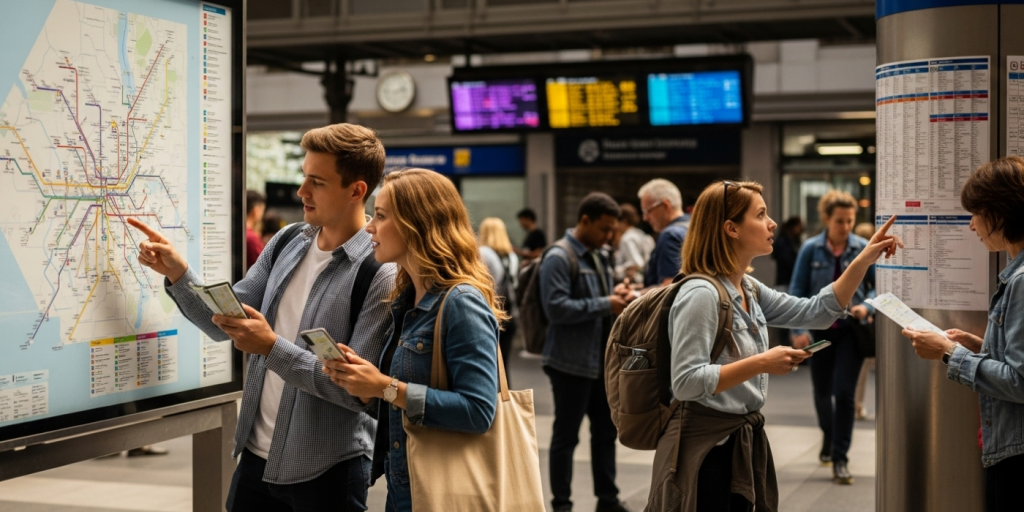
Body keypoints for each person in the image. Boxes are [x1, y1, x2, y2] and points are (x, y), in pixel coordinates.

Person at [129, 123, 396, 512]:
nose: (301, 191)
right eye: (304, 177)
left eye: (317, 182)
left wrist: (270, 347)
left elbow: (356, 391)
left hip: (328, 472)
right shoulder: (289, 241)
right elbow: (223, 322)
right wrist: (179, 273)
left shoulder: (379, 273)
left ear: (357, 190)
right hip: (256, 459)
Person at [652, 180, 900, 511]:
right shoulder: (701, 294)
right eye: (761, 214)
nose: (772, 223)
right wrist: (762, 362)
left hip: (737, 442)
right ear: (731, 229)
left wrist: (864, 259)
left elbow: (815, 311)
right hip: (704, 452)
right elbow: (686, 382)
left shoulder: (748, 287)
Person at [321, 168, 504, 512]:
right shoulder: (407, 299)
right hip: (406, 486)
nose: (369, 226)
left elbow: (479, 411)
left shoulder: (461, 302)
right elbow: (402, 398)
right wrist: (365, 386)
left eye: (381, 215)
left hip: (446, 492)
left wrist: (386, 387)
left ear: (417, 224)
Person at [900, 156, 1024, 512]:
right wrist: (982, 347)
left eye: (976, 213)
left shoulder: (1020, 280)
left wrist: (949, 353)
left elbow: (1019, 381)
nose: (972, 226)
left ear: (1001, 213)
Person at [540, 192, 634, 512]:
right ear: (584, 221)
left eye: (613, 230)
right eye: (604, 229)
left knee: (605, 432)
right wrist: (606, 303)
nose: (609, 237)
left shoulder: (599, 254)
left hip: (600, 362)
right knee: (566, 437)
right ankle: (561, 505)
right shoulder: (558, 256)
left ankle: (608, 500)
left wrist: (616, 294)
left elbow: (599, 297)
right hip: (569, 362)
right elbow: (555, 308)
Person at [788, 190, 875, 484]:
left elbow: (878, 287)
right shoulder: (811, 249)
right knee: (823, 393)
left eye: (850, 221)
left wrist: (867, 304)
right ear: (826, 219)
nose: (846, 227)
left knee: (845, 394)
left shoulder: (862, 248)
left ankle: (840, 458)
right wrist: (798, 330)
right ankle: (829, 433)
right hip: (819, 331)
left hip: (852, 331)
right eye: (840, 221)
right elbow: (797, 291)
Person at [478, 216, 520, 385]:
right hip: (510, 315)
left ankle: (493, 407)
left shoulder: (483, 254)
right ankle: (505, 404)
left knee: (490, 364)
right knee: (503, 364)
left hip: (492, 314)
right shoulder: (512, 256)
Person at [639, 179, 689, 289]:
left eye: (648, 211)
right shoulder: (694, 227)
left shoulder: (669, 235)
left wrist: (635, 294)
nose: (645, 218)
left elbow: (669, 288)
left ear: (666, 205)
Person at [852, 221, 877, 421]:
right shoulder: (865, 256)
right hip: (861, 318)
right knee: (862, 368)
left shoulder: (856, 254)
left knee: (861, 369)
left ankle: (857, 406)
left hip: (861, 316)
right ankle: (857, 406)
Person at [614, 203, 655, 285]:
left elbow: (636, 263)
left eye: (618, 221)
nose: (616, 226)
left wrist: (618, 271)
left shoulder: (627, 238)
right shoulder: (644, 235)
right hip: (648, 281)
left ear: (624, 221)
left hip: (634, 283)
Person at [771, 216, 803, 289]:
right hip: (785, 282)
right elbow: (788, 261)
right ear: (793, 227)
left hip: (789, 281)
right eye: (799, 226)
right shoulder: (783, 242)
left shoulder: (793, 241)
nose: (801, 229)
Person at [246, 190, 267, 269]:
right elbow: (263, 267)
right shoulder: (252, 238)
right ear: (256, 210)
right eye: (262, 210)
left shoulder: (237, 233)